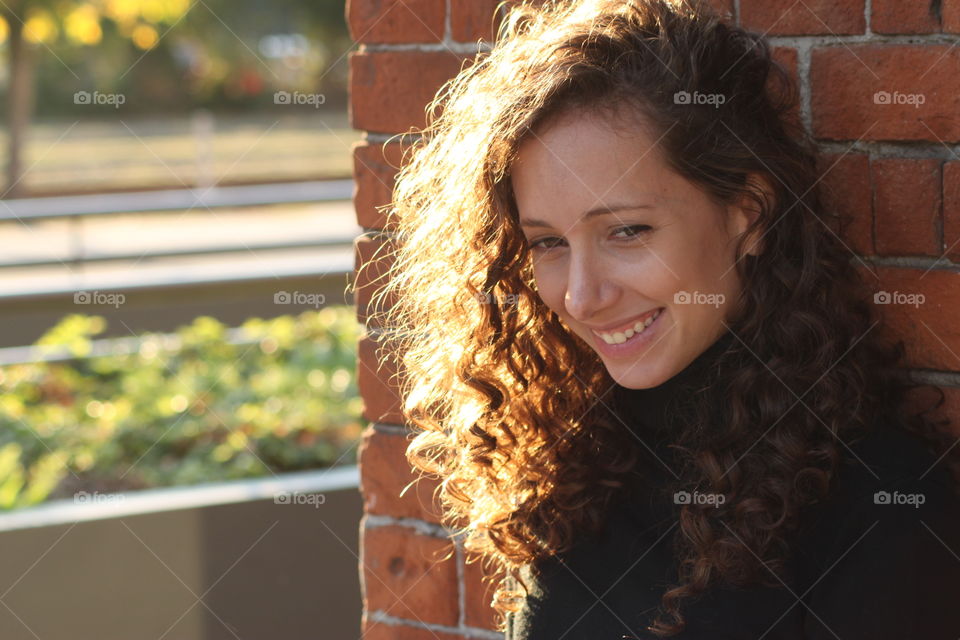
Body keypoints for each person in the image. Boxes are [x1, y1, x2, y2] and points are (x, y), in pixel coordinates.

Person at [369, 0, 960, 637]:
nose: (582, 296)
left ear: (749, 214)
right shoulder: (573, 462)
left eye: (626, 231)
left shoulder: (883, 505)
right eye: (549, 243)